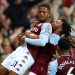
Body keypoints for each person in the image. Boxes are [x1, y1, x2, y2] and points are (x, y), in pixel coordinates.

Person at [0, 4, 52, 75]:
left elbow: (42, 42)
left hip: (28, 53)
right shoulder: (35, 23)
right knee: (2, 70)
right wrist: (22, 38)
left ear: (49, 14)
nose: (41, 14)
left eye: (44, 12)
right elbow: (31, 36)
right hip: (20, 50)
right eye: (39, 12)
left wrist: (25, 39)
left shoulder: (47, 25)